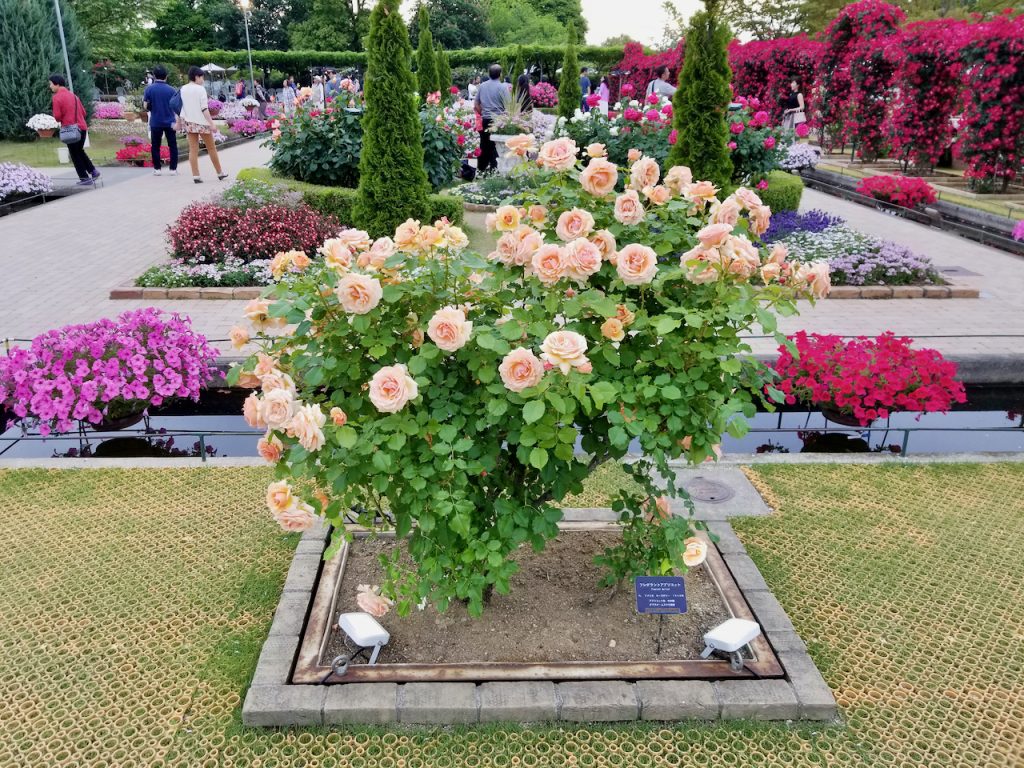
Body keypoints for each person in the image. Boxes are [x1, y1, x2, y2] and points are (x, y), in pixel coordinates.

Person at [49, 74, 98, 186]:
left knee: (74, 154)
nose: (50, 86)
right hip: (82, 128)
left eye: (51, 84)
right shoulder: (74, 96)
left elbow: (57, 116)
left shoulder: (57, 97)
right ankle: (93, 171)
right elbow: (84, 112)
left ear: (56, 84)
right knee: (80, 151)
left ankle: (84, 178)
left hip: (70, 130)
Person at [180, 66, 227, 184]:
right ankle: (219, 172)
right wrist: (212, 123)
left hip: (189, 122)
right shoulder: (200, 89)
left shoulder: (183, 89)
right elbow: (204, 109)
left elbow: (181, 107)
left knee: (193, 150)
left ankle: (196, 175)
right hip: (202, 122)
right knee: (211, 148)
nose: (202, 80)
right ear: (196, 77)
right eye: (202, 77)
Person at [142, 65, 178, 176]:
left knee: (155, 145)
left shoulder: (149, 89)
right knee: (172, 145)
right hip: (170, 121)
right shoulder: (172, 90)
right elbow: (176, 107)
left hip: (156, 121)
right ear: (166, 76)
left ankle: (157, 169)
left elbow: (145, 105)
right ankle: (173, 169)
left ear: (154, 76)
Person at [474, 64, 505, 174]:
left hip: (485, 119)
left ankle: (481, 169)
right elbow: (508, 105)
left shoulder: (482, 86)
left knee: (484, 144)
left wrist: (482, 113)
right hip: (498, 120)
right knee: (496, 145)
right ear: (500, 74)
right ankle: (494, 168)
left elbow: (476, 103)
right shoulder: (502, 87)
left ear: (489, 73)